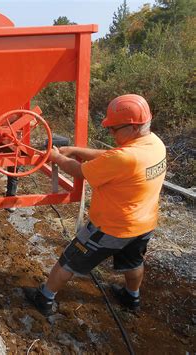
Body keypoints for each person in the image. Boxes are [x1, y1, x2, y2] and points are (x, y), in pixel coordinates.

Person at [24, 94, 166, 315]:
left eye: (114, 129)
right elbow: (113, 156)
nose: (111, 133)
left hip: (111, 228)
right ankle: (131, 298)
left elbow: (80, 171)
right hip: (143, 226)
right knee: (134, 262)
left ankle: (44, 298)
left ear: (133, 127)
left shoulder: (125, 158)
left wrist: (57, 157)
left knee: (69, 260)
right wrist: (78, 151)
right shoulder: (155, 144)